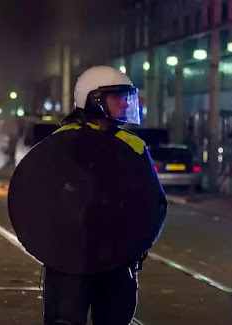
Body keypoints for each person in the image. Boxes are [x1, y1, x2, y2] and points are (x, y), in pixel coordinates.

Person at [41, 66, 168, 324]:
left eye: (126, 97)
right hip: (69, 262)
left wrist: (138, 245)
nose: (124, 103)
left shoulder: (133, 145)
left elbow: (154, 202)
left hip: (117, 260)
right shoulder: (61, 143)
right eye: (116, 96)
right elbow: (42, 199)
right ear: (93, 99)